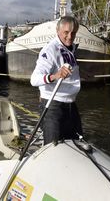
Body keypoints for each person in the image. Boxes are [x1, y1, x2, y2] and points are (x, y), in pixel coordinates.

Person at [30, 16, 83, 145]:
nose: (70, 36)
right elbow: (34, 79)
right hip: (53, 105)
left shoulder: (70, 48)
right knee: (53, 146)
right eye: (66, 32)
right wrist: (55, 76)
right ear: (58, 31)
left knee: (77, 142)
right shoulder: (50, 50)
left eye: (73, 33)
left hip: (71, 105)